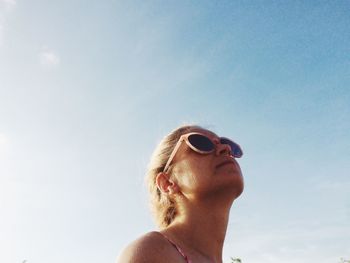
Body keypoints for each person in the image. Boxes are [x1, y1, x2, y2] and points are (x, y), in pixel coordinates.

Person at [117, 124, 244, 263]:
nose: (226, 148)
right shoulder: (153, 252)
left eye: (227, 144)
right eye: (201, 143)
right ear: (167, 182)